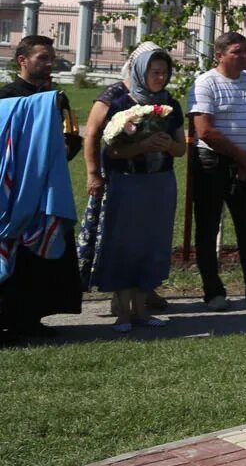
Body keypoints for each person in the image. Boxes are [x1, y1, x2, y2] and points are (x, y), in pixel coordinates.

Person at [81, 42, 183, 332]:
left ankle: (142, 310)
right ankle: (122, 313)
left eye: (164, 72)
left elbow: (180, 149)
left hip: (160, 183)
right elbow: (107, 147)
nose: (160, 77)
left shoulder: (170, 104)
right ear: (140, 70)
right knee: (124, 244)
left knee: (152, 243)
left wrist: (169, 145)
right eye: (154, 71)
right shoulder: (119, 100)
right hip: (126, 182)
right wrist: (137, 148)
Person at [187, 32, 246, 312]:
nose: (245, 56)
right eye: (237, 52)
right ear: (220, 55)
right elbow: (205, 130)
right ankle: (213, 293)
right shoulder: (205, 83)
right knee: (207, 229)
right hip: (211, 165)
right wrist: (243, 158)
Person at [0, 37, 83, 341]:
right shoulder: (6, 96)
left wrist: (66, 145)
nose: (49, 64)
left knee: (43, 256)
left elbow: (70, 136)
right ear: (22, 59)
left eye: (51, 58)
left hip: (47, 189)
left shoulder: (55, 97)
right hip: (16, 191)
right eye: (42, 58)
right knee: (13, 253)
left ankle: (31, 318)